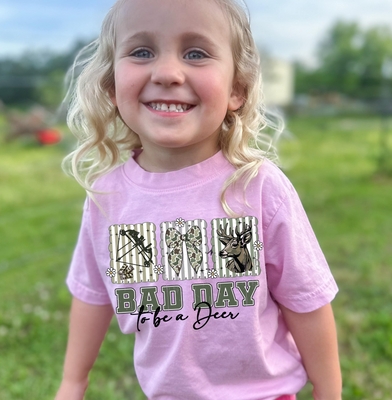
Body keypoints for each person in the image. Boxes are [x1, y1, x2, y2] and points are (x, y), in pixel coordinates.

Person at [55, 0, 342, 399]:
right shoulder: (108, 198)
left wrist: (329, 391)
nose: (167, 73)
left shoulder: (258, 187)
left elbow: (305, 300)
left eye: (195, 53)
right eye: (142, 51)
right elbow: (92, 295)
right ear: (111, 85)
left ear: (236, 89)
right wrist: (72, 383)